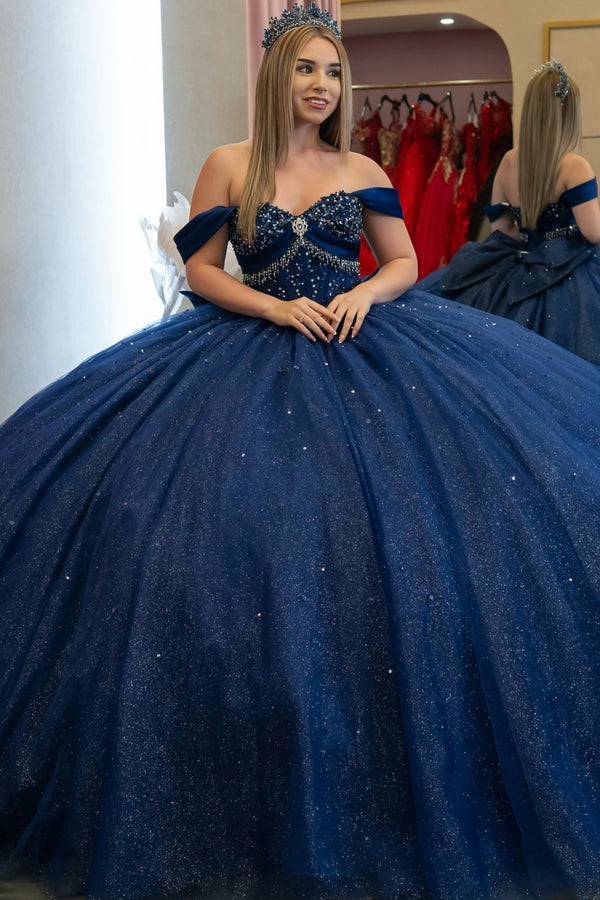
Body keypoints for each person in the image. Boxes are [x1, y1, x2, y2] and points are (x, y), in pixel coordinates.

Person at [1, 7, 600, 899]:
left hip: (363, 343)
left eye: (331, 71)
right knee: (215, 532)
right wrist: (273, 307)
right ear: (277, 74)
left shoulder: (360, 167)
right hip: (249, 345)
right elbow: (201, 272)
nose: (321, 85)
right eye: (306, 69)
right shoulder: (229, 163)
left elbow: (401, 260)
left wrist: (367, 295)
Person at [419, 60, 600, 365]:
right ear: (570, 115)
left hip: (519, 265)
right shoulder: (574, 165)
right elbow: (592, 231)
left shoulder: (509, 160)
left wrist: (532, 237)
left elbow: (501, 227)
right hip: (572, 277)